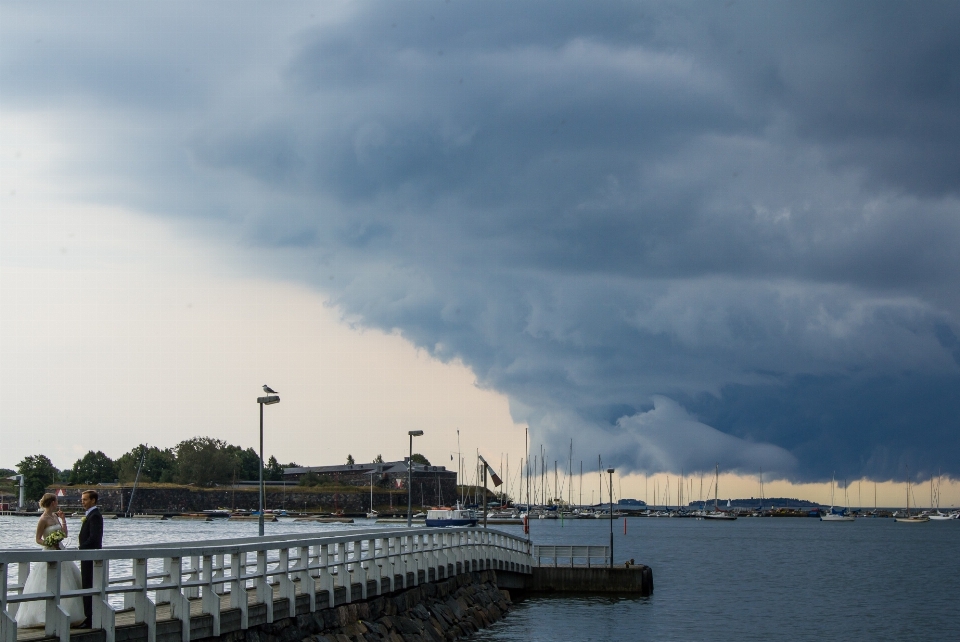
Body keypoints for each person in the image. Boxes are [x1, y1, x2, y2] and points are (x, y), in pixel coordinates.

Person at [15, 493, 85, 628]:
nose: (57, 503)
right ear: (52, 502)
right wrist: (49, 542)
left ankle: (68, 614)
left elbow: (64, 534)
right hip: (50, 551)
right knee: (46, 583)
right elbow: (38, 539)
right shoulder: (43, 519)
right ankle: (44, 616)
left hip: (61, 551)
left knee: (67, 582)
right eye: (56, 501)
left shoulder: (55, 516)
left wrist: (63, 520)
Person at [78, 490, 104, 629]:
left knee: (89, 585)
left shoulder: (95, 516)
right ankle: (89, 616)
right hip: (86, 555)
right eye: (82, 499)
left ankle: (90, 618)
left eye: (85, 499)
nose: (83, 502)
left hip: (90, 556)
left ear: (93, 500)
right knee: (86, 584)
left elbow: (94, 538)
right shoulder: (91, 515)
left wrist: (81, 548)